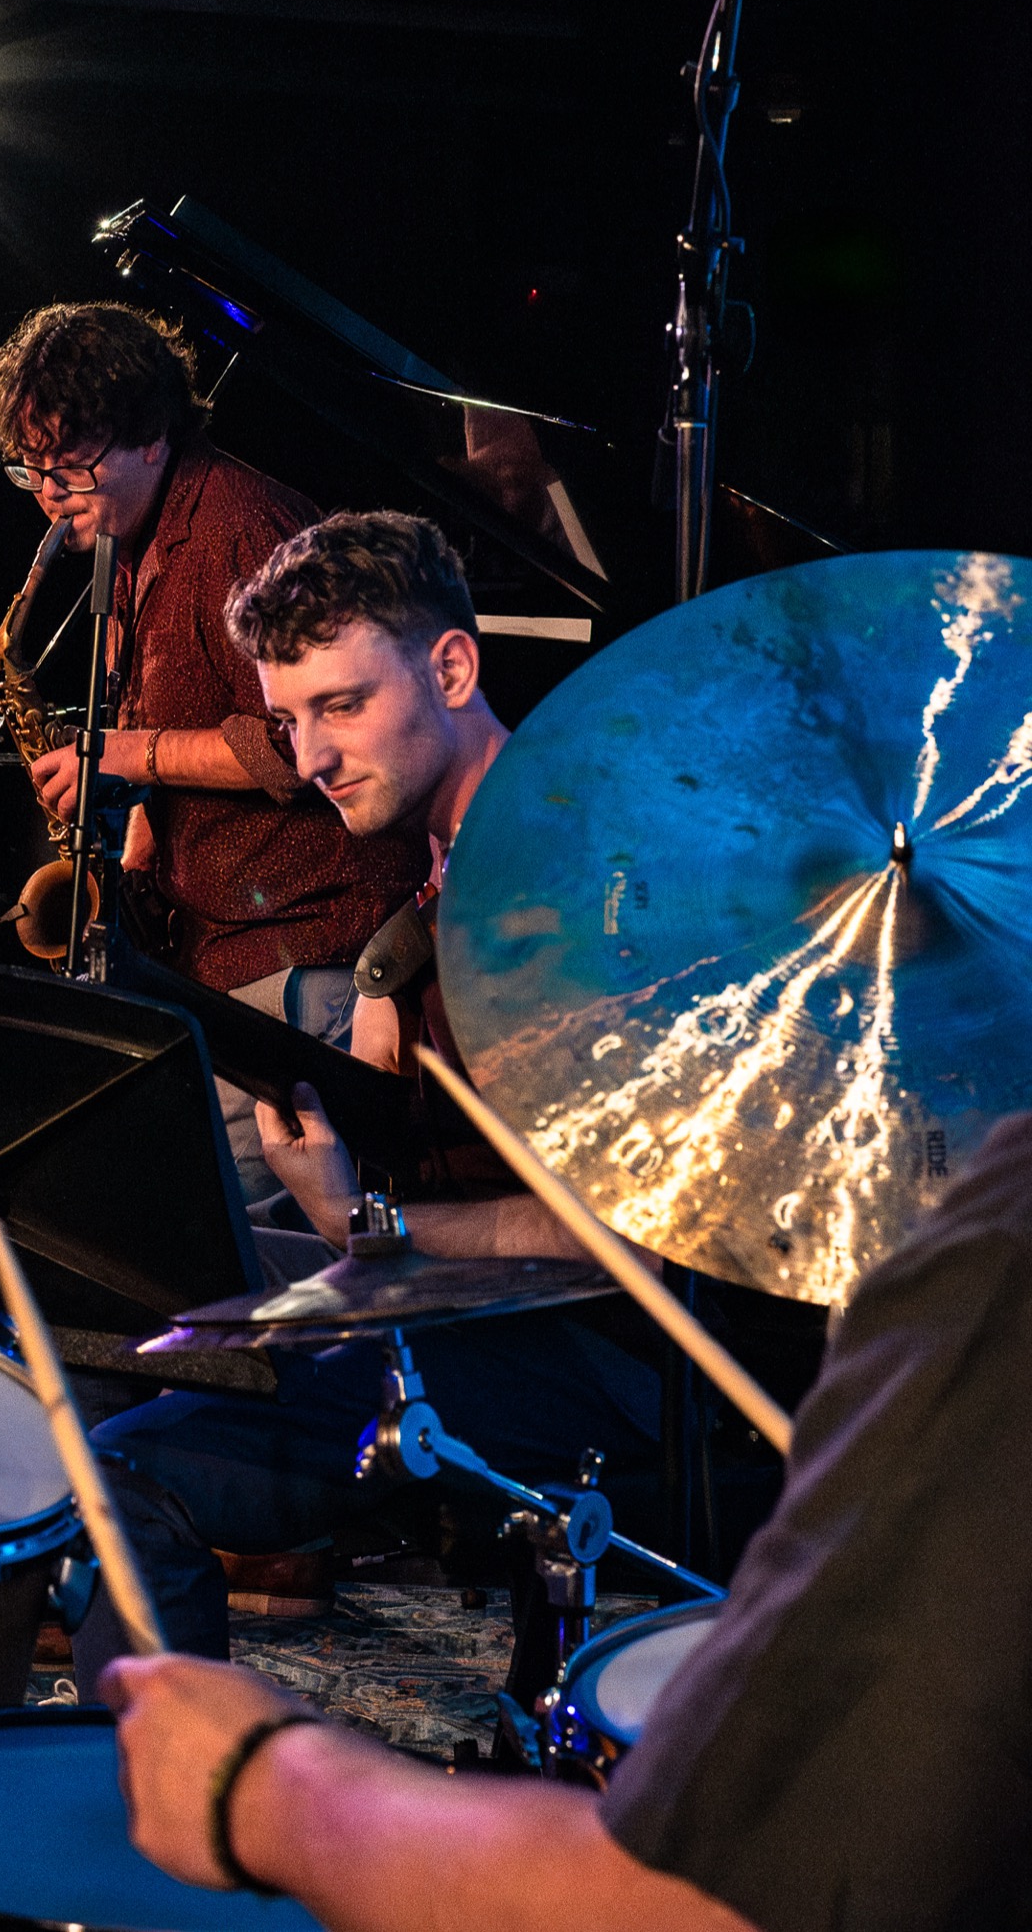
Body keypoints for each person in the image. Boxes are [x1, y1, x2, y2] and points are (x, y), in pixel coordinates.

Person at [103, 1103, 1032, 1932]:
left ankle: (142, 1886)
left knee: (138, 1462)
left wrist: (267, 1785)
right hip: (515, 1294)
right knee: (169, 1312)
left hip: (629, 1353)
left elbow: (705, 1903)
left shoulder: (998, 1245)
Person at [71, 511, 662, 1694]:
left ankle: (166, 1825)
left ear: (452, 667)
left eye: (341, 705)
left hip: (604, 1361)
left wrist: (357, 1225)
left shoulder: (571, 894)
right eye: (289, 719)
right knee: (93, 1314)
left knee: (120, 1476)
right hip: (466, 1307)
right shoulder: (454, 880)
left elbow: (617, 1243)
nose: (308, 757)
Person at [0, 304, 420, 992]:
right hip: (220, 952)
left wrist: (125, 752)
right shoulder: (125, 544)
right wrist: (132, 868)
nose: (47, 495)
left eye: (69, 466)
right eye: (30, 470)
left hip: (315, 952)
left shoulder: (242, 532)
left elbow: (309, 738)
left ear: (152, 436)